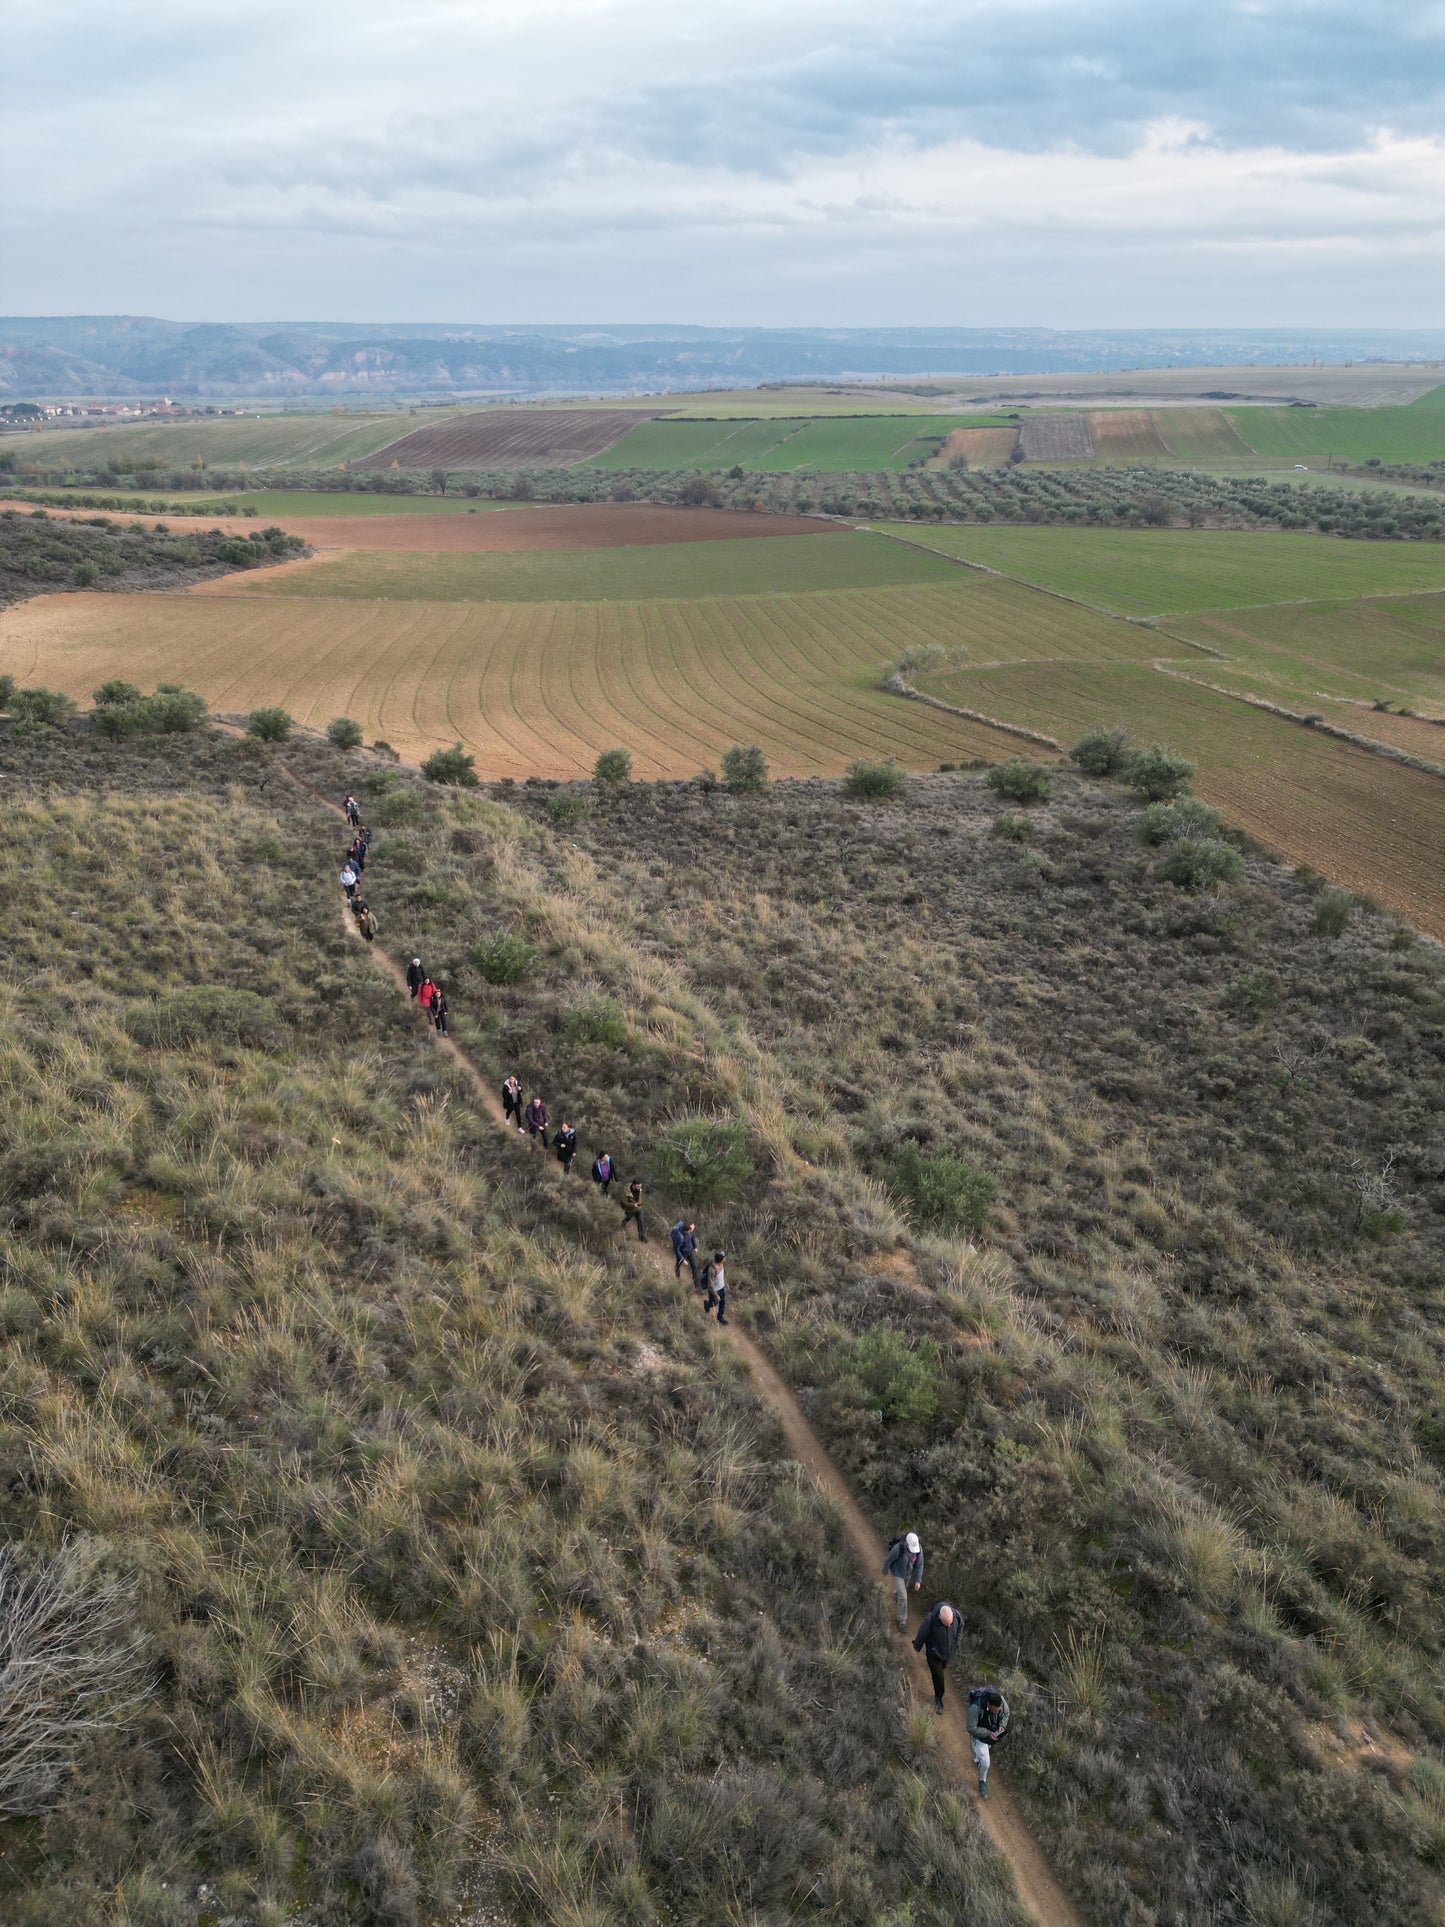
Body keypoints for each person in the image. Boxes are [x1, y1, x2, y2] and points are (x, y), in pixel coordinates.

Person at [912, 1601, 963, 1714]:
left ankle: (939, 1689)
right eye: (946, 1624)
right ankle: (938, 1698)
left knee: (943, 1668)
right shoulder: (931, 1619)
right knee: (939, 1677)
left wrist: (957, 1643)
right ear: (939, 1617)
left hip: (948, 1654)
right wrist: (917, 1646)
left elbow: (961, 1626)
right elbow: (922, 1633)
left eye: (950, 1623)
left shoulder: (956, 1615)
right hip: (934, 1654)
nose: (949, 1626)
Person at [966, 1687, 1010, 1800]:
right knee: (985, 1763)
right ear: (989, 1705)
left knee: (986, 1749)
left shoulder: (1000, 1701)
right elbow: (971, 1728)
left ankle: (977, 1756)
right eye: (997, 1709)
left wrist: (1002, 1724)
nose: (1000, 1710)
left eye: (1000, 1708)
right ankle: (982, 1783)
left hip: (991, 1731)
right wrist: (987, 1733)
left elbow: (1006, 1713)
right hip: (980, 1734)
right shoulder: (975, 1708)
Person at [881, 1531, 925, 1633]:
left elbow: (919, 1565)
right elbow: (889, 1559)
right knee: (903, 1597)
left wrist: (918, 1580)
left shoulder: (919, 1550)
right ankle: (902, 1621)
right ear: (906, 1543)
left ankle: (896, 1595)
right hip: (897, 1574)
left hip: (907, 1574)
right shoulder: (899, 1548)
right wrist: (885, 1570)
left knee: (901, 1592)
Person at [671, 1219, 699, 1286]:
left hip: (690, 1250)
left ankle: (697, 1286)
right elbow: (676, 1250)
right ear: (687, 1231)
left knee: (695, 1266)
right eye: (691, 1229)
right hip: (682, 1252)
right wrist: (682, 1260)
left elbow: (693, 1238)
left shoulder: (690, 1230)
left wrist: (695, 1247)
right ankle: (677, 1278)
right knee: (678, 1265)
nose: (693, 1230)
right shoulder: (679, 1237)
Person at [704, 1250, 728, 1323]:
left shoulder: (721, 1265)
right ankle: (706, 1304)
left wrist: (725, 1283)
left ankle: (720, 1317)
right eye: (724, 1258)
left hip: (722, 1288)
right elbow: (710, 1284)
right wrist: (716, 1295)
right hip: (715, 1291)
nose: (725, 1259)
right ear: (720, 1260)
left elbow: (722, 1275)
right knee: (713, 1304)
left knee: (723, 1303)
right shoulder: (712, 1270)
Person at [621, 1178, 646, 1242]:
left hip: (638, 1208)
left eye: (640, 1186)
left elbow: (641, 1199)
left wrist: (639, 1204)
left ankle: (642, 1236)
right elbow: (623, 1202)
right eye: (638, 1186)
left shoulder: (640, 1189)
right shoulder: (626, 1190)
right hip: (629, 1208)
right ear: (634, 1185)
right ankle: (621, 1231)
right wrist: (632, 1205)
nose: (640, 1188)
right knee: (626, 1219)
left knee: (641, 1220)